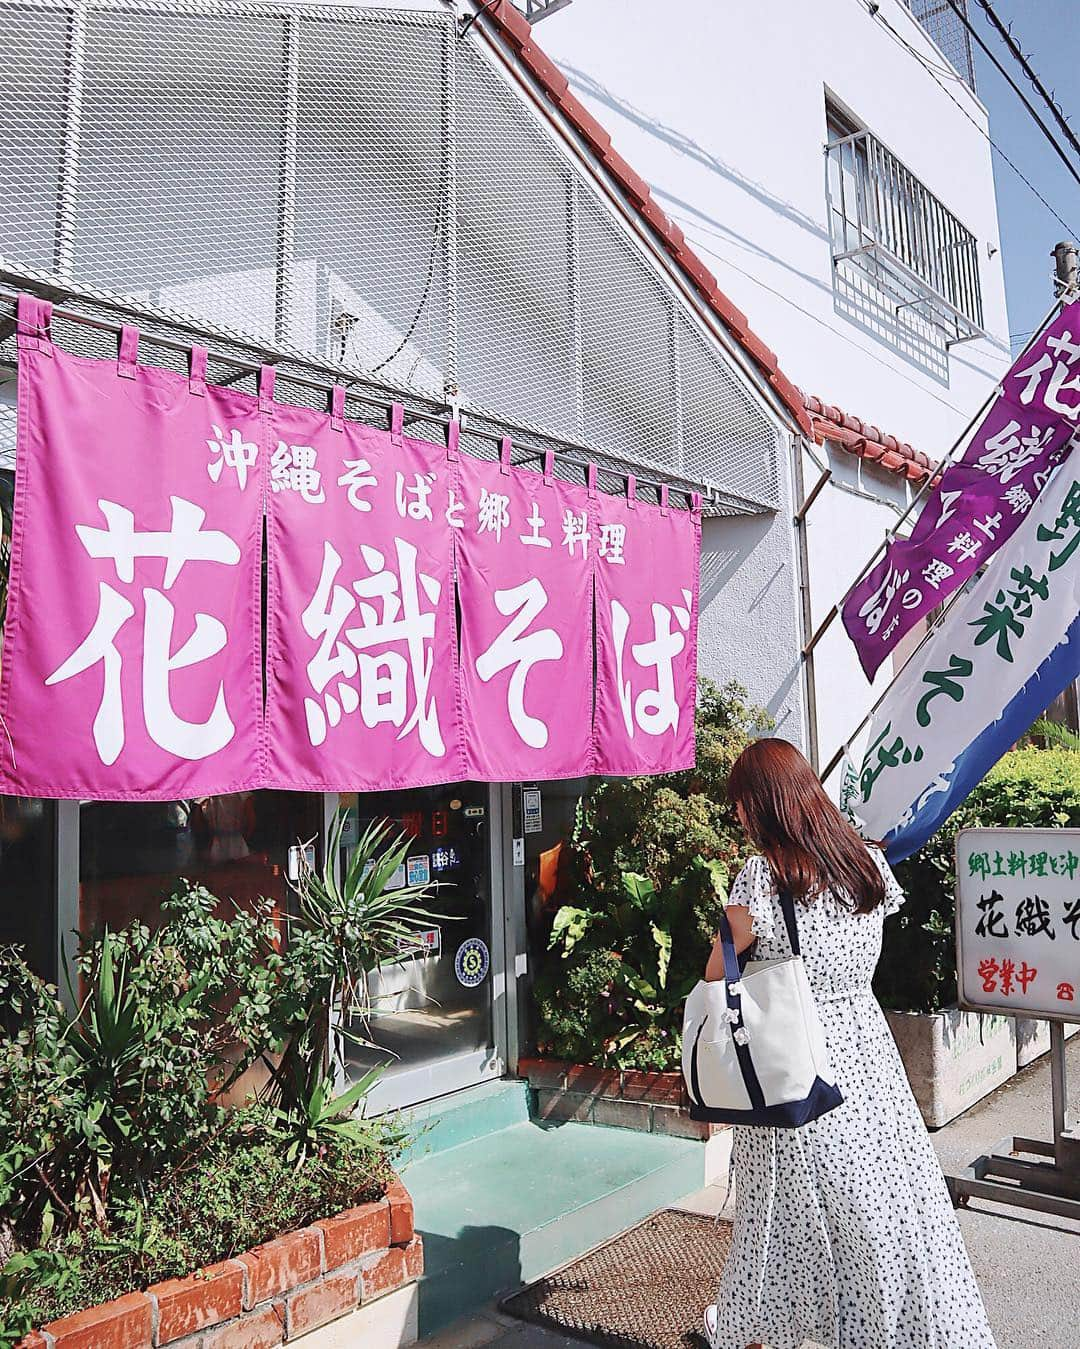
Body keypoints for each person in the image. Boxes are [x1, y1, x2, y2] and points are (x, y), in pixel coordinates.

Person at [702, 738, 996, 1349]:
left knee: (784, 1211)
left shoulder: (761, 877)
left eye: (741, 804)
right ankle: (904, 1326)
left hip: (796, 1055)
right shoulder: (865, 862)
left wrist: (728, 931)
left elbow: (717, 972)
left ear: (764, 805)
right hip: (868, 1049)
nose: (738, 817)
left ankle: (762, 1326)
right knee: (892, 1198)